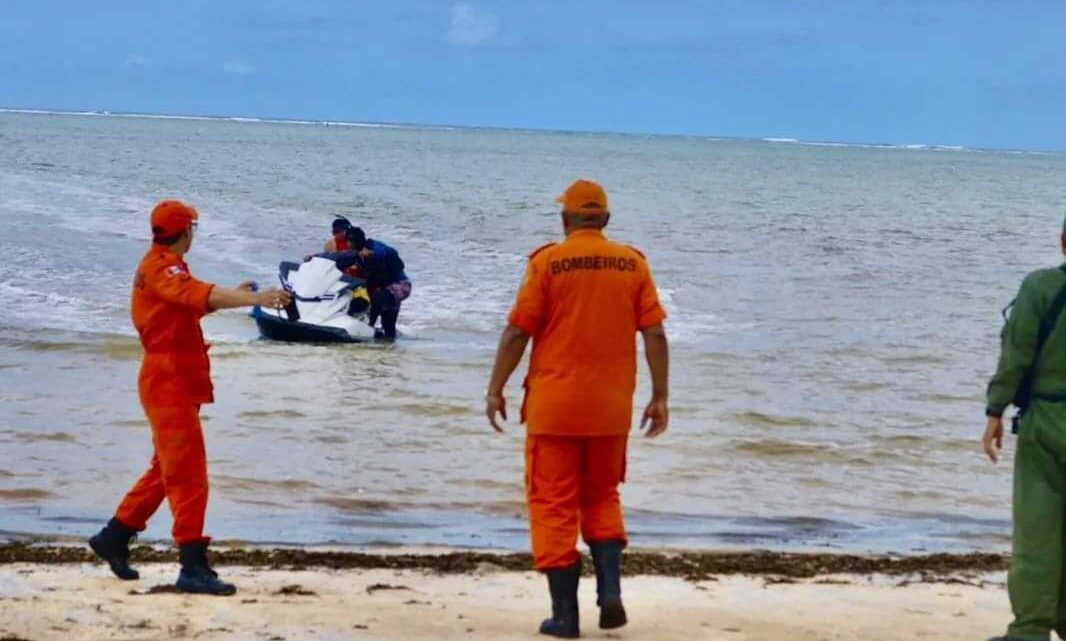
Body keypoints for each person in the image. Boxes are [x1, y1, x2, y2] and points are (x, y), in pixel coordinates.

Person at [485, 179, 670, 638]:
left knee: (553, 504)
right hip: (610, 410)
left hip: (555, 409)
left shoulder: (547, 262)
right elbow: (656, 334)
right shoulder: (632, 264)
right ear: (604, 220)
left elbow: (517, 332)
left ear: (565, 219)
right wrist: (660, 396)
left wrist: (495, 388)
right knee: (602, 496)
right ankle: (610, 592)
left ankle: (565, 617)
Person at [88, 200, 291, 596]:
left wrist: (235, 294)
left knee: (167, 469)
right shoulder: (163, 267)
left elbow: (188, 306)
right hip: (167, 381)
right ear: (187, 232)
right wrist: (254, 299)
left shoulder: (164, 265)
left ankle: (115, 536)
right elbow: (194, 293)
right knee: (188, 473)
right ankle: (192, 565)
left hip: (175, 378)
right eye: (194, 228)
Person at [984, 218, 1066, 641]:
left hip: (1047, 421)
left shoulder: (1039, 287)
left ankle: (1031, 631)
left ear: (1063, 241)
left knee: (1038, 530)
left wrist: (995, 409)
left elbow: (1017, 353)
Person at [315, 226, 411, 341]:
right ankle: (382, 342)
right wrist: (314, 257)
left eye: (348, 241)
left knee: (380, 305)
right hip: (382, 287)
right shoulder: (356, 254)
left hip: (400, 285)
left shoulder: (376, 247)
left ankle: (375, 332)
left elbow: (396, 259)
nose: (347, 244)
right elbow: (335, 257)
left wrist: (373, 254)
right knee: (378, 311)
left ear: (354, 241)